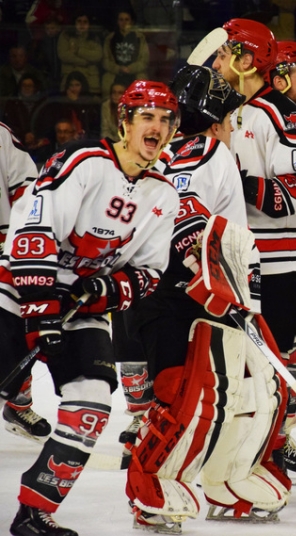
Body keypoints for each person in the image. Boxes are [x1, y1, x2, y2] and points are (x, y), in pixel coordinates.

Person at [1, 79, 180, 536]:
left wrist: (99, 292)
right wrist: (42, 312)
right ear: (125, 121)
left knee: (92, 404)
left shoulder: (163, 195)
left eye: (165, 119)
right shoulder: (84, 161)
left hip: (80, 307)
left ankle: (34, 511)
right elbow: (33, 235)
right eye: (147, 117)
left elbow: (148, 275)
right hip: (18, 290)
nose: (156, 127)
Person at [123, 65, 288, 530]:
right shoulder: (208, 151)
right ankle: (148, 483)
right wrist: (206, 278)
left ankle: (228, 479)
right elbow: (182, 225)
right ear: (215, 122)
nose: (236, 129)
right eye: (232, 120)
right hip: (181, 300)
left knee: (259, 389)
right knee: (180, 396)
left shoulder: (180, 154)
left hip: (207, 297)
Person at [210, 17, 296, 485]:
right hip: (234, 260)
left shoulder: (281, 113)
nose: (215, 61)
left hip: (276, 263)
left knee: (280, 357)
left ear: (246, 59)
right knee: (239, 361)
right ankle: (242, 443)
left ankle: (278, 441)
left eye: (223, 53)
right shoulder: (226, 111)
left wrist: (235, 181)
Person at [0, 121, 48, 445]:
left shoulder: (1, 135)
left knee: (14, 322)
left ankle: (19, 403)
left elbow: (27, 187)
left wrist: (21, 232)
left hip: (4, 249)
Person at [32, 70, 101, 145]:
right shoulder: (61, 102)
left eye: (77, 85)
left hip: (85, 141)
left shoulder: (90, 102)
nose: (74, 89)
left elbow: (91, 125)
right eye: (71, 85)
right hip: (62, 141)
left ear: (83, 86)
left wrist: (76, 102)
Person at [101, 9, 149, 99]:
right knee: (106, 81)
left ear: (131, 22)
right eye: (121, 20)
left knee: (142, 82)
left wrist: (131, 68)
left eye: (126, 19)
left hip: (134, 73)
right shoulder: (110, 38)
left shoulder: (139, 37)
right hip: (115, 73)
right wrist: (118, 68)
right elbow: (105, 61)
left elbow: (144, 60)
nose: (124, 22)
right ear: (117, 21)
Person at [56, 12, 102, 95]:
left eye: (85, 22)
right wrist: (84, 62)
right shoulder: (65, 35)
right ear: (74, 23)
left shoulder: (94, 37)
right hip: (70, 75)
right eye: (79, 21)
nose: (82, 24)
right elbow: (63, 55)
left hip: (90, 77)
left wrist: (78, 51)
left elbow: (98, 55)